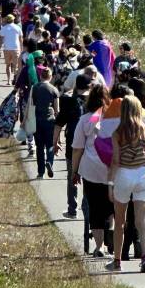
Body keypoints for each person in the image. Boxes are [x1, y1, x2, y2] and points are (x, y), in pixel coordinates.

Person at [106, 95, 145, 274]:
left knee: (120, 222)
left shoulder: (118, 133)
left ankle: (117, 261)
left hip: (124, 174)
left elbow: (115, 160)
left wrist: (110, 183)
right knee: (140, 221)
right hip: (142, 175)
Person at [70, 84, 113, 258]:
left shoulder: (86, 120)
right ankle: (112, 239)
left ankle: (99, 246)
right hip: (112, 168)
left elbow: (77, 148)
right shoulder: (113, 119)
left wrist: (75, 171)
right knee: (111, 207)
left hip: (91, 169)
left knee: (95, 207)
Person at [54, 74, 89, 219]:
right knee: (89, 179)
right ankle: (87, 208)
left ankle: (72, 210)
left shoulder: (69, 101)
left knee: (72, 176)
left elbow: (58, 124)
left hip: (72, 144)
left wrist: (55, 142)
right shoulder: (94, 103)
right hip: (90, 147)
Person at [31, 66, 59, 179]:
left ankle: (40, 172)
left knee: (39, 147)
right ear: (50, 77)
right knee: (50, 145)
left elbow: (32, 104)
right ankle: (50, 162)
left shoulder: (35, 88)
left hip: (37, 119)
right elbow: (57, 110)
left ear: (40, 76)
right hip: (50, 120)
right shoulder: (54, 90)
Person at [0, 14, 22, 84]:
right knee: (16, 65)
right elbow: (21, 39)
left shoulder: (3, 28)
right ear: (13, 20)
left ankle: (8, 80)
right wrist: (22, 48)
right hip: (16, 48)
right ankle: (16, 79)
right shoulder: (17, 27)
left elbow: (1, 40)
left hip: (6, 48)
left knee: (7, 65)